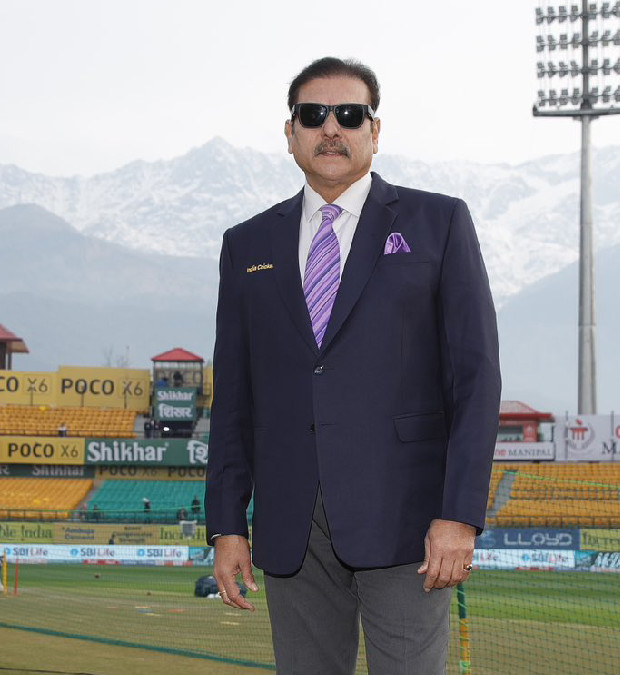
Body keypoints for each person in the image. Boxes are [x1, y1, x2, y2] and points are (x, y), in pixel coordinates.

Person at [205, 56, 501, 673]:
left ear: (375, 130)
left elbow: (474, 381)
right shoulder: (246, 244)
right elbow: (233, 398)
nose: (331, 128)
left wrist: (460, 514)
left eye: (349, 114)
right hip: (292, 524)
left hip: (408, 520)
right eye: (314, 115)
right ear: (290, 133)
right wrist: (227, 526)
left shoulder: (439, 222)